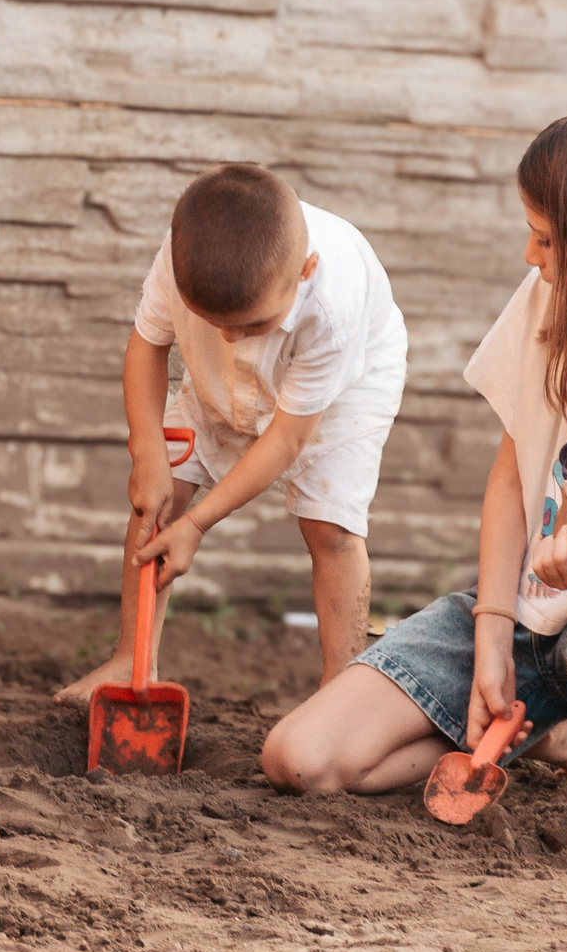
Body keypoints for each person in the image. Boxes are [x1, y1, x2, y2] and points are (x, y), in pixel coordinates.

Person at [260, 99, 567, 821]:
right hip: (517, 614)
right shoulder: (548, 299)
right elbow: (510, 476)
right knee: (297, 760)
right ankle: (545, 729)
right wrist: (492, 635)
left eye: (546, 238)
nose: (532, 256)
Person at [54, 163, 407, 706]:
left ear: (306, 271)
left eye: (251, 326)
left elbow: (286, 440)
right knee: (160, 498)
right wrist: (147, 453)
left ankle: (341, 690)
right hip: (215, 375)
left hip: (342, 390)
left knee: (329, 526)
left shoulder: (334, 306)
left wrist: (198, 524)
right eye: (214, 321)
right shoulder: (183, 260)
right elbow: (148, 345)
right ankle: (132, 658)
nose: (231, 337)